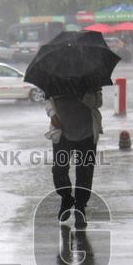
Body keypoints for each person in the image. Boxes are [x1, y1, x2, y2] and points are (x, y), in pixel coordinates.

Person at [46, 89, 104, 228]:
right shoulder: (56, 78)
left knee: (85, 171)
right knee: (59, 169)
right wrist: (52, 114)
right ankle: (66, 198)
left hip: (87, 132)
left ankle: (80, 208)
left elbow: (99, 102)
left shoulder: (90, 79)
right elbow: (47, 98)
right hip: (62, 132)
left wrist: (83, 95)